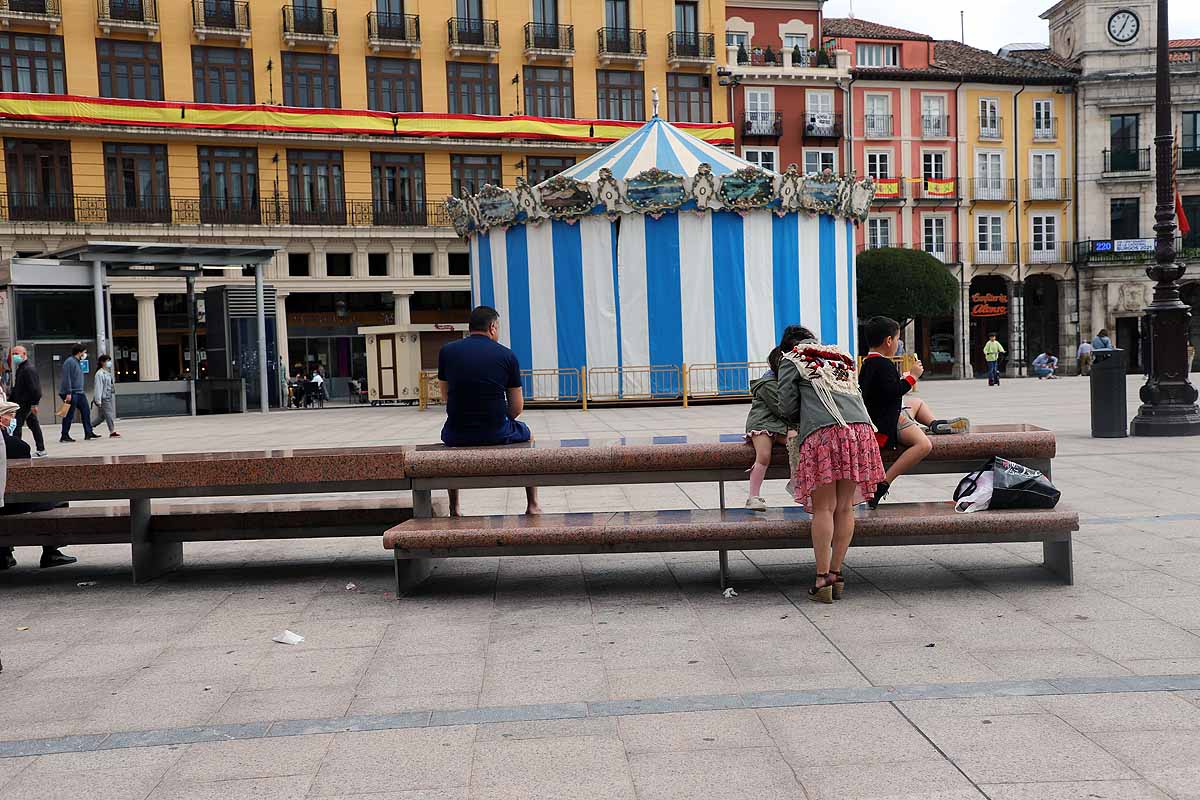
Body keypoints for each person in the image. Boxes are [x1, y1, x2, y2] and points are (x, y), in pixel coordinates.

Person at [777, 325, 885, 604]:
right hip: (860, 431)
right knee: (845, 506)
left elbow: (787, 407)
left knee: (824, 507)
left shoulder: (792, 359)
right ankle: (837, 574)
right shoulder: (842, 357)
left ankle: (822, 578)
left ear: (788, 346)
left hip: (825, 431)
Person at [858, 317, 970, 509]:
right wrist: (913, 377)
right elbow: (893, 392)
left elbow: (881, 392)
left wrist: (903, 379)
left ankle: (935, 424)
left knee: (916, 402)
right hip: (889, 422)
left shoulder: (868, 363)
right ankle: (883, 483)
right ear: (889, 341)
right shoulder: (884, 365)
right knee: (924, 444)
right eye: (898, 339)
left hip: (881, 414)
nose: (898, 344)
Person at [438, 306, 540, 515]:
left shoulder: (447, 352)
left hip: (456, 433)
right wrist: (500, 418)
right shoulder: (507, 355)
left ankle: (454, 506)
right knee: (529, 436)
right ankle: (533, 504)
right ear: (492, 327)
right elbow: (516, 407)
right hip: (496, 431)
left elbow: (445, 396)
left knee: (449, 447)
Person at [0, 399, 75, 570]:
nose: (14, 420)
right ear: (1, 420)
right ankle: (51, 552)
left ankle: (3, 554)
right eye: (10, 416)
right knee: (59, 500)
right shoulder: (16, 446)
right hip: (10, 504)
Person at [743, 347, 793, 511]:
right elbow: (781, 408)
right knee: (763, 455)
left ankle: (799, 483)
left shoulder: (785, 383)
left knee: (799, 441)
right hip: (762, 425)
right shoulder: (768, 384)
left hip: (779, 426)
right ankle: (753, 496)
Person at [9, 346, 46, 457]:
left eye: (16, 353)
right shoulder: (22, 368)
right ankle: (41, 449)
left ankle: (16, 451)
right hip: (22, 403)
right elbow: (18, 388)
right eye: (13, 353)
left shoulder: (28, 369)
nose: (14, 356)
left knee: (16, 426)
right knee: (33, 425)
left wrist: (35, 403)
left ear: (24, 354)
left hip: (25, 404)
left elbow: (35, 389)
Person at [58, 343, 98, 443]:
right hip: (71, 392)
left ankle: (88, 432)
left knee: (86, 411)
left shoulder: (77, 361)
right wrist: (68, 392)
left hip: (79, 392)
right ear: (79, 352)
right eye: (84, 352)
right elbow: (66, 378)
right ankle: (64, 435)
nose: (85, 354)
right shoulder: (70, 362)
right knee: (69, 414)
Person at [91, 355, 119, 437]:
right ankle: (112, 431)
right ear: (102, 362)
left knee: (102, 416)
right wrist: (98, 399)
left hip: (108, 396)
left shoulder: (107, 373)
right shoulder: (99, 374)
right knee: (109, 414)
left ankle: (89, 426)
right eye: (107, 361)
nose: (109, 363)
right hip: (104, 398)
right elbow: (98, 387)